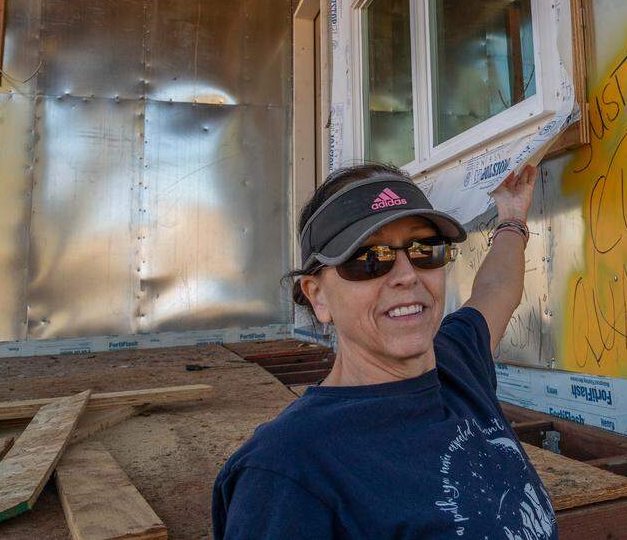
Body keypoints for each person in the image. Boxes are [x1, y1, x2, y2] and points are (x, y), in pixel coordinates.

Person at [212, 161, 557, 539]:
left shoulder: (458, 363)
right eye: (369, 259)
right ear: (318, 296)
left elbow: (496, 289)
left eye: (425, 249)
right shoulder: (286, 473)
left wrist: (511, 217)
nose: (407, 275)